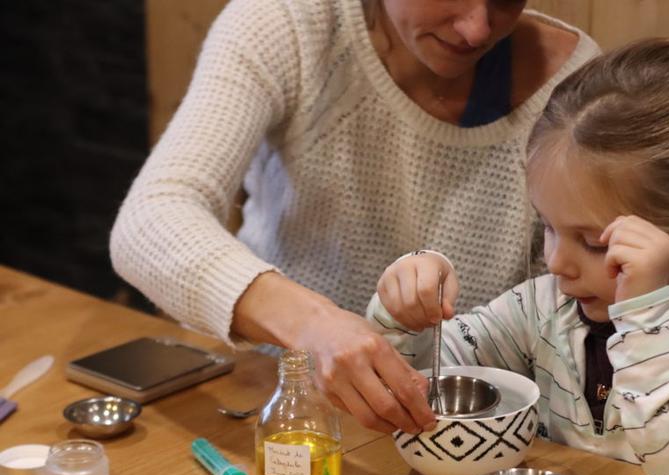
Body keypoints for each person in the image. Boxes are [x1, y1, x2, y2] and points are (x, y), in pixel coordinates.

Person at [368, 39, 669, 475]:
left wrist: (645, 321)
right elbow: (411, 389)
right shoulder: (543, 309)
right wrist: (405, 315)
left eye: (595, 243)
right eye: (548, 226)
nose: (557, 262)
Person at [109, 0, 599, 435]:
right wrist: (312, 326)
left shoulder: (573, 83)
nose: (476, 29)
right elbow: (151, 218)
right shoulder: (288, 23)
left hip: (471, 423)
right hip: (277, 395)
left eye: (506, 0)